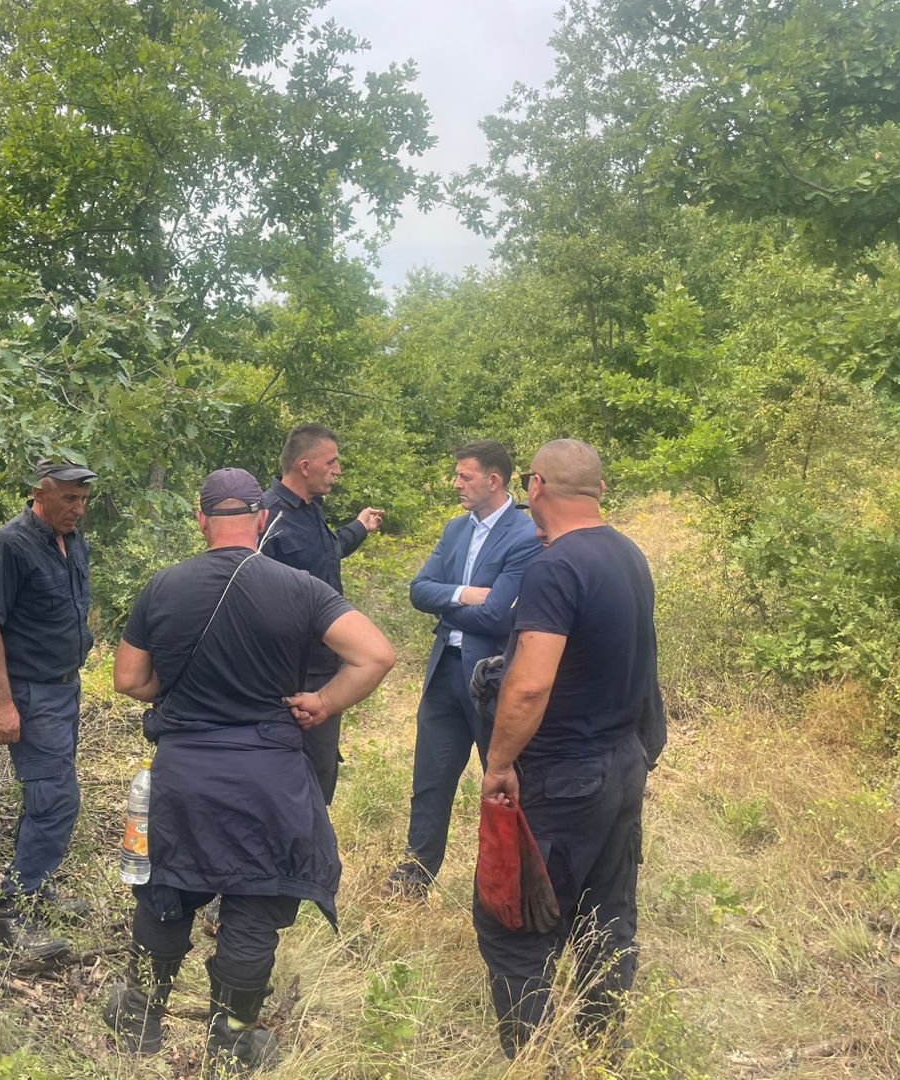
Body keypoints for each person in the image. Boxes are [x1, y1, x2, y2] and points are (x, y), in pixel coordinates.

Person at [103, 468, 395, 1072]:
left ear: (201, 520)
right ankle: (234, 1038)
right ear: (262, 520)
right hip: (269, 779)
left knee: (166, 891)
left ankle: (140, 1018)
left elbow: (129, 679)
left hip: (183, 776)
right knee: (255, 904)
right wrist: (324, 702)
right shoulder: (301, 587)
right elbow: (376, 655)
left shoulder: (163, 587)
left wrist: (175, 692)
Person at [473, 439, 665, 1058]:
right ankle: (601, 1052)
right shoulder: (627, 553)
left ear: (535, 486)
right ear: (599, 490)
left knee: (514, 926)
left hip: (562, 775)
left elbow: (530, 686)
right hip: (622, 763)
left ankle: (535, 1063)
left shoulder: (554, 568)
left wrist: (499, 763)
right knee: (605, 917)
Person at [388, 440, 540, 898]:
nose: (456, 483)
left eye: (464, 476)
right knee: (430, 781)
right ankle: (414, 876)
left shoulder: (525, 535)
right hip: (444, 674)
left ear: (493, 481)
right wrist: (464, 594)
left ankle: (510, 884)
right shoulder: (456, 529)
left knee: (503, 782)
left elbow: (497, 618)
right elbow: (418, 590)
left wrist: (446, 605)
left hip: (492, 681)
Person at [0, 460, 97, 958]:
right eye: (68, 499)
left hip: (65, 690)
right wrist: (1, 704)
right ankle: (14, 912)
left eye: (83, 500)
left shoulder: (74, 542)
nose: (78, 509)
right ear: (39, 494)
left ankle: (38, 890)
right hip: (31, 694)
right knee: (56, 800)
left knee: (50, 795)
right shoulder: (9, 546)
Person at [259, 423, 385, 804]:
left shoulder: (312, 509)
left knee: (320, 773)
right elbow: (247, 589)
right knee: (284, 779)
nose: (338, 470)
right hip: (284, 677)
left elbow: (327, 553)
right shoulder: (267, 516)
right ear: (305, 466)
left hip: (325, 670)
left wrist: (360, 527)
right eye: (331, 462)